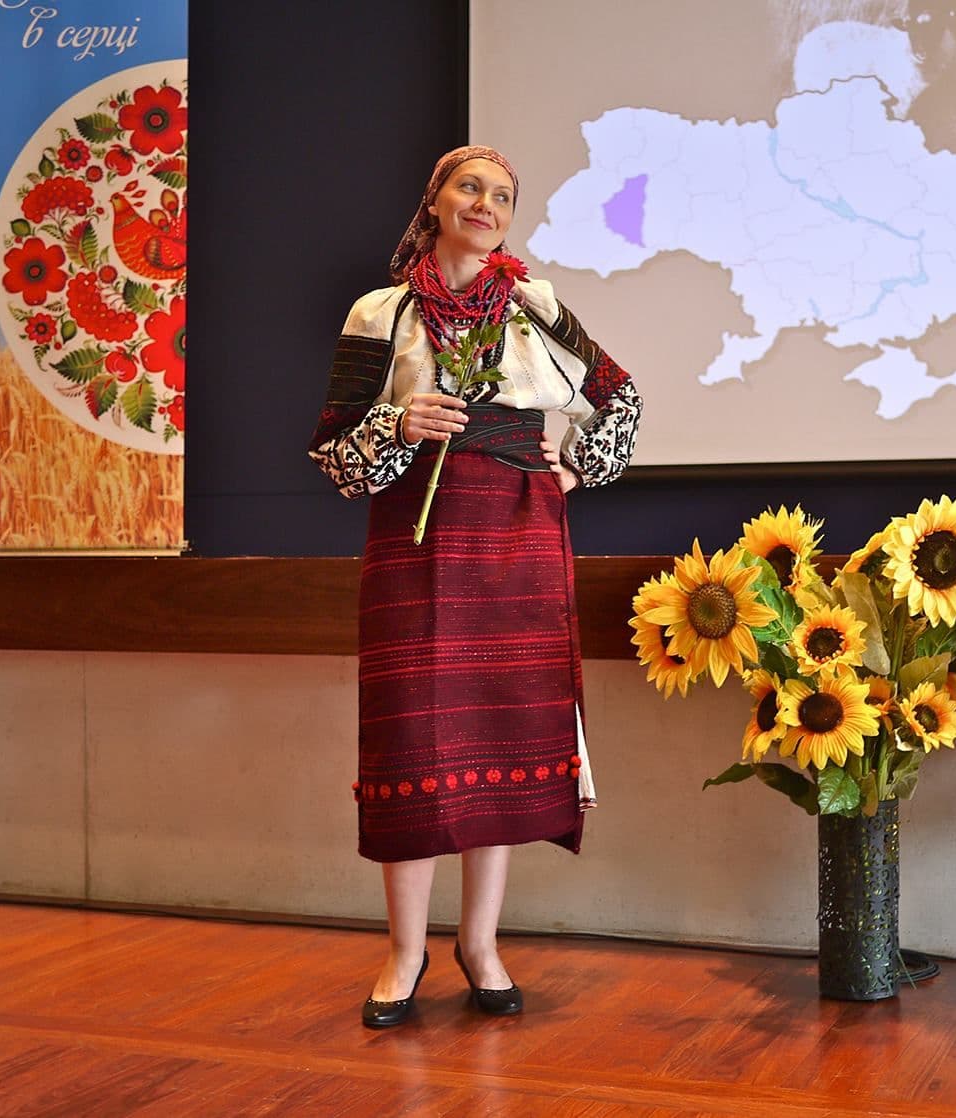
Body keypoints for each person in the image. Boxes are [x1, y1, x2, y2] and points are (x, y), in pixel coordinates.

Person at [308, 146, 642, 1028]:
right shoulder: (380, 312)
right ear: (435, 201)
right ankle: (404, 951)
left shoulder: (536, 305)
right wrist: (396, 422)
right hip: (413, 544)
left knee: (499, 726)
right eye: (469, 187)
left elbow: (620, 398)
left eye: (502, 194)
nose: (485, 204)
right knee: (414, 740)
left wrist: (573, 471)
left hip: (518, 537)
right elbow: (334, 455)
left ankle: (481, 945)